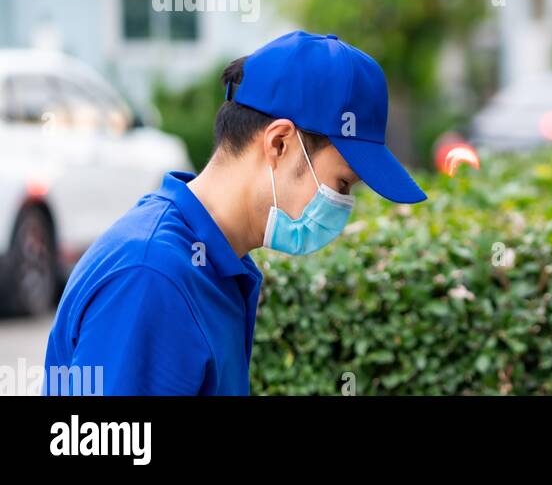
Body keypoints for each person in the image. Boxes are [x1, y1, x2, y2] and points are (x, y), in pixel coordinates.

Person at [44, 31, 427, 395]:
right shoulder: (152, 277)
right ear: (279, 143)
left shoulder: (218, 264)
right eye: (342, 184)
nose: (342, 205)